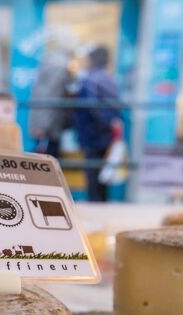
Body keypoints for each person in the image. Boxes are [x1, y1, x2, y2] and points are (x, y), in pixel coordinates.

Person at [72, 45, 120, 202]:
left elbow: (89, 107)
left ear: (92, 60)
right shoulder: (109, 78)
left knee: (93, 174)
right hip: (105, 134)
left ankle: (96, 203)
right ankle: (102, 203)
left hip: (93, 133)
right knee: (102, 174)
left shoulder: (91, 79)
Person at [29, 49, 70, 158]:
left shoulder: (43, 69)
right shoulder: (58, 71)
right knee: (50, 158)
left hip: (42, 123)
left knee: (40, 156)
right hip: (49, 126)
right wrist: (43, 126)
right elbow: (52, 98)